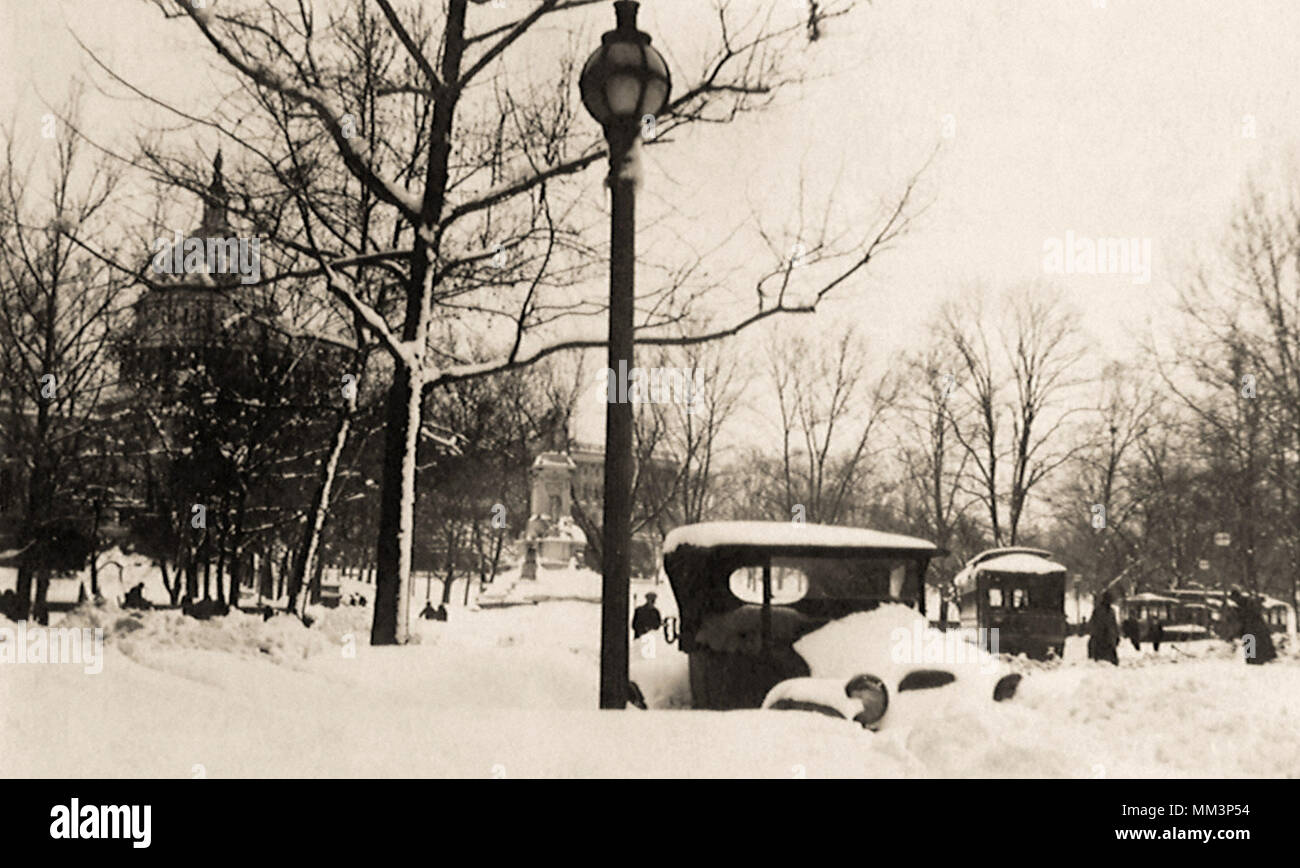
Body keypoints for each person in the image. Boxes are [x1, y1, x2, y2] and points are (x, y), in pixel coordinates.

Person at [1231, 591, 1276, 665]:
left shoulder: (1244, 604)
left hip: (1252, 627)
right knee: (1254, 642)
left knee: (1251, 641)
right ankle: (1255, 660)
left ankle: (1253, 661)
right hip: (1254, 627)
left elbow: (1244, 618)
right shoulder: (1246, 603)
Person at [1087, 590, 1120, 665]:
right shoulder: (1098, 610)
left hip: (1109, 639)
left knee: (1112, 662)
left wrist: (1117, 635)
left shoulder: (1111, 611)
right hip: (1100, 639)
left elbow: (1114, 624)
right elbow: (1093, 623)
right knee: (1101, 661)